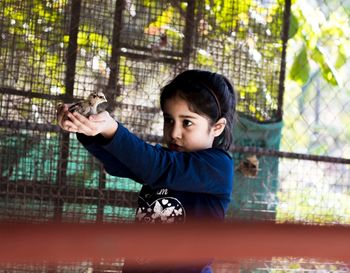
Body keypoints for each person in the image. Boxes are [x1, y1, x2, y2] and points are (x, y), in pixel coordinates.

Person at [57, 69, 237, 273]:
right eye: (169, 120)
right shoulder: (163, 162)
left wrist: (111, 129)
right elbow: (120, 163)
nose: (174, 133)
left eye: (187, 122)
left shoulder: (217, 167)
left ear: (217, 127)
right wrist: (87, 129)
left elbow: (157, 166)